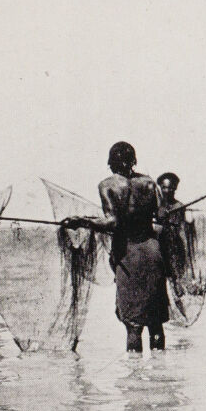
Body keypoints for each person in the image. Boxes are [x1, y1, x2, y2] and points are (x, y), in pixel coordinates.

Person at [62, 142, 169, 352]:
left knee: (133, 326)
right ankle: (160, 373)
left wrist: (82, 221)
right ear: (133, 160)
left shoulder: (107, 185)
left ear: (111, 162)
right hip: (153, 252)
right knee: (156, 322)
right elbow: (161, 215)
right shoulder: (148, 183)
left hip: (129, 255)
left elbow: (113, 222)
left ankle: (134, 376)